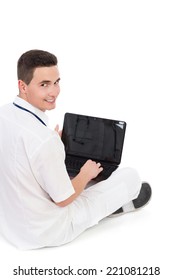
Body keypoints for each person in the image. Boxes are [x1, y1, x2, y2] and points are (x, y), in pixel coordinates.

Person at [0, 50, 152, 250]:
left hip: (10, 224)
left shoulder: (4, 113)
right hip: (48, 230)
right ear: (23, 86)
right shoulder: (44, 141)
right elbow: (63, 200)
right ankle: (110, 207)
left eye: (56, 82)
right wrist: (85, 174)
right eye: (44, 84)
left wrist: (54, 147)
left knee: (77, 178)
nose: (54, 92)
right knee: (130, 177)